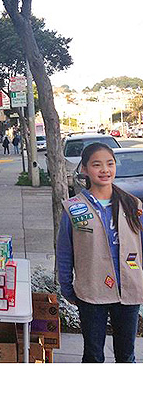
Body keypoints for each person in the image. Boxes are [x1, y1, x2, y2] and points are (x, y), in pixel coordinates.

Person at [57, 142, 143, 363]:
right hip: (92, 291)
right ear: (84, 169)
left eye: (110, 164)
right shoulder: (74, 208)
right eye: (97, 165)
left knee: (126, 356)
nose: (105, 170)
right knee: (93, 355)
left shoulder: (132, 204)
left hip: (129, 291)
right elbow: (65, 251)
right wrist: (67, 287)